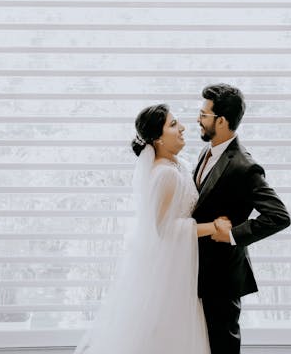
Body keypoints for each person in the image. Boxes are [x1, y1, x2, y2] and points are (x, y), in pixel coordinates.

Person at [73, 102, 227, 354]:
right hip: (170, 271)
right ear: (157, 138)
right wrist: (212, 227)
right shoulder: (165, 175)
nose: (183, 128)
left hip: (181, 264)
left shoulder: (179, 166)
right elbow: (164, 230)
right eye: (173, 124)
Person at [193, 83, 291, 354]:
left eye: (203, 115)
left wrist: (233, 234)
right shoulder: (207, 151)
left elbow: (279, 216)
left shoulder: (244, 166)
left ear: (221, 121)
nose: (198, 120)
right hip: (198, 269)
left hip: (223, 275)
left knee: (224, 344)